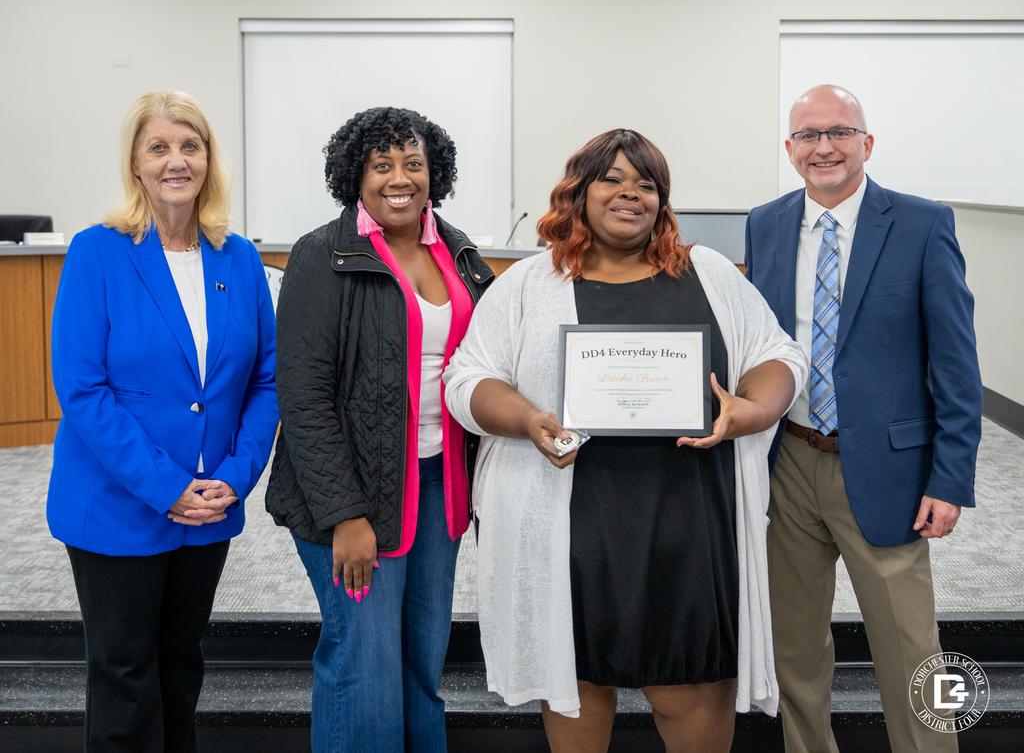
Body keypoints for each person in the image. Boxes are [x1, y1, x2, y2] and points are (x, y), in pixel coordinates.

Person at [443, 129, 807, 753]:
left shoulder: (709, 273)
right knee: (578, 681)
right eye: (612, 179)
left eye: (646, 183)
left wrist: (748, 411)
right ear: (578, 192)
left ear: (663, 201)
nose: (630, 193)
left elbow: (779, 355)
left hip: (692, 523)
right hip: (573, 531)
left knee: (693, 686)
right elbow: (468, 378)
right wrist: (530, 420)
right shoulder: (529, 285)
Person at [744, 85, 982, 753]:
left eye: (840, 132)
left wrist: (950, 477)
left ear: (866, 143)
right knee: (793, 647)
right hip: (787, 459)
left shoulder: (922, 223)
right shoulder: (764, 223)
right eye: (809, 135)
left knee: (915, 651)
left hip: (887, 468)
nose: (825, 146)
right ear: (789, 150)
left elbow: (957, 366)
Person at [46, 90, 279, 752]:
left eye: (191, 145)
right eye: (159, 146)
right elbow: (83, 390)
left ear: (209, 159)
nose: (177, 160)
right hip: (117, 504)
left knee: (181, 671)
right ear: (136, 163)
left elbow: (265, 381)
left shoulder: (238, 258)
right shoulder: (98, 251)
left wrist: (233, 478)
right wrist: (166, 485)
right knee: (125, 679)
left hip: (209, 507)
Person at [265, 106, 494, 753]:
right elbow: (303, 398)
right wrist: (346, 514)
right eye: (383, 163)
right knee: (363, 663)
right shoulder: (323, 254)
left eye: (413, 163)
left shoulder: (457, 248)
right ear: (355, 175)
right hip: (352, 496)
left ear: (434, 171)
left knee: (422, 663)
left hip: (437, 488)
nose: (400, 177)